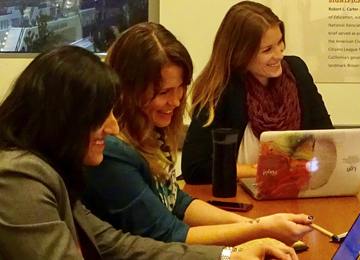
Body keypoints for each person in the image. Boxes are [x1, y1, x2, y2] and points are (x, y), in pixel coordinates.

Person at [0, 45, 297, 260]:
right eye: (101, 115)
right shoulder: (18, 178)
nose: (114, 128)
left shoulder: (51, 170)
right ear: (63, 119)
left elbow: (114, 244)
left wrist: (228, 256)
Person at [81, 22, 313, 247]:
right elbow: (167, 234)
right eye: (164, 92)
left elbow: (177, 202)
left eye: (181, 88)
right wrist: (259, 230)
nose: (176, 100)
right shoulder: (111, 153)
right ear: (128, 90)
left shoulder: (151, 133)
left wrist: (256, 224)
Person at [183, 1, 333, 185]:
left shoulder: (297, 71)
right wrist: (260, 171)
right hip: (240, 197)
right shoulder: (220, 89)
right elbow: (195, 168)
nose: (279, 55)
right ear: (241, 53)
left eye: (280, 43)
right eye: (267, 50)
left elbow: (327, 137)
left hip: (296, 191)